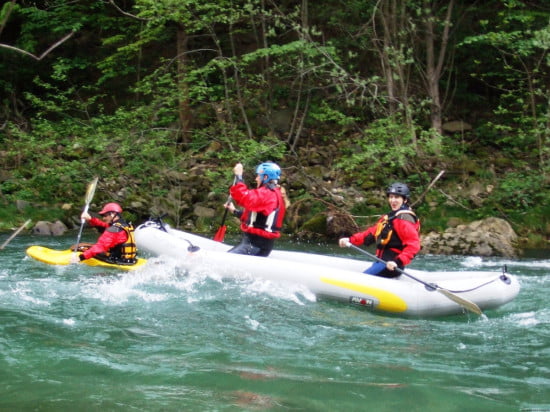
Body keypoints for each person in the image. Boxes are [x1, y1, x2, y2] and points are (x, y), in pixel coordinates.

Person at [339, 182, 420, 278]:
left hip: (391, 266)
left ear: (405, 200)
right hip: (382, 262)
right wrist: (350, 240)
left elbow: (414, 246)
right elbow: (371, 233)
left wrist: (397, 262)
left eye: (397, 197)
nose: (393, 200)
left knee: (361, 280)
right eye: (391, 197)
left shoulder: (404, 219)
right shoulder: (391, 217)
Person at [224, 162, 286, 257]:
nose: (256, 178)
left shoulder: (267, 194)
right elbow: (254, 219)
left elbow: (241, 195)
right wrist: (234, 210)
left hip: (254, 247)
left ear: (265, 178)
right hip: (256, 246)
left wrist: (239, 176)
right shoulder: (273, 193)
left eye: (258, 176)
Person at [70, 202, 137, 265]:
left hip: (116, 260)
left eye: (105, 215)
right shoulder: (126, 225)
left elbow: (99, 247)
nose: (104, 218)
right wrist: (90, 219)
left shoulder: (113, 230)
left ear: (113, 214)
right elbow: (104, 226)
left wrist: (80, 258)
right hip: (130, 260)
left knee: (81, 247)